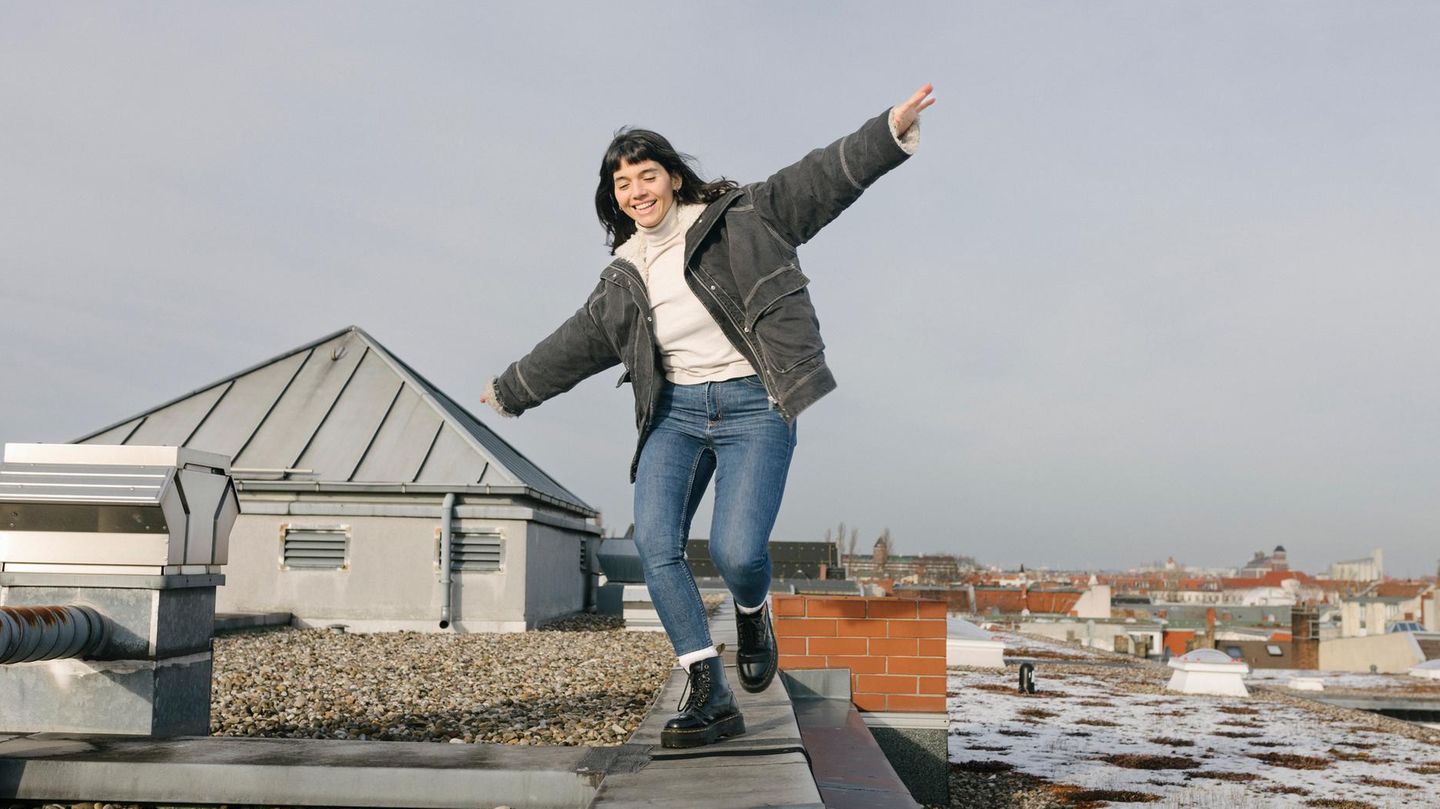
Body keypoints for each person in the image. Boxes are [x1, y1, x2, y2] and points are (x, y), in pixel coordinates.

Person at [481, 84, 934, 749]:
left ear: (672, 177)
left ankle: (753, 613)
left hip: (756, 403)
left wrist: (886, 133)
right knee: (655, 543)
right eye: (622, 182)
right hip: (677, 414)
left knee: (736, 550)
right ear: (614, 198)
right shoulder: (623, 276)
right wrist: (512, 386)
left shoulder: (743, 216)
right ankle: (709, 689)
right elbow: (576, 343)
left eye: (647, 174)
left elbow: (817, 181)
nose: (637, 189)